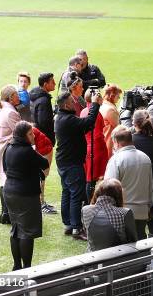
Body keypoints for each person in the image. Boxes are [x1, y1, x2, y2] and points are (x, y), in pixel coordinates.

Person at [2, 121, 50, 270]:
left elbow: (5, 168)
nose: (33, 135)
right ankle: (27, 267)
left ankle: (16, 266)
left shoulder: (8, 148)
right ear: (23, 135)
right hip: (26, 195)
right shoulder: (28, 151)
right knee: (27, 232)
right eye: (30, 133)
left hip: (9, 192)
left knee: (15, 229)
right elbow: (44, 163)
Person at [55, 91, 101, 240]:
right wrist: (95, 104)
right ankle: (76, 228)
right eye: (72, 101)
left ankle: (68, 224)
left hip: (64, 161)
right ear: (67, 105)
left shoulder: (60, 117)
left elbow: (83, 128)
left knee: (67, 192)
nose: (75, 103)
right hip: (72, 163)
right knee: (75, 194)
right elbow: (88, 122)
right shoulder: (68, 119)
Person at [104, 125, 153, 240]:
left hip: (121, 212)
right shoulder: (145, 158)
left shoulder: (116, 159)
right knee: (140, 244)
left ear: (116, 142)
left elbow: (108, 189)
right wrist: (149, 207)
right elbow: (151, 187)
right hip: (142, 211)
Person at [82, 178, 138, 252]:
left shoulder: (85, 210)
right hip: (118, 258)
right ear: (118, 195)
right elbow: (133, 240)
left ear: (97, 193)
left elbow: (87, 232)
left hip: (93, 258)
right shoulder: (125, 213)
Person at [30, 72, 57, 214]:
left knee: (38, 173)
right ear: (45, 84)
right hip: (43, 143)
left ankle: (39, 201)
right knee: (42, 174)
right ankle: (41, 203)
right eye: (52, 82)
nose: (54, 84)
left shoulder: (34, 96)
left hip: (37, 141)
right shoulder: (44, 100)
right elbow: (44, 122)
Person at [0, 85, 21, 224]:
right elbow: (20, 132)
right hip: (7, 150)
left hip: (1, 147)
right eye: (16, 94)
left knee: (3, 179)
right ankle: (7, 213)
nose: (19, 97)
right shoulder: (10, 112)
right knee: (7, 180)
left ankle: (5, 213)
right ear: (10, 97)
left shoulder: (3, 108)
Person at [81, 88, 109, 202]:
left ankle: (88, 203)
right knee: (92, 180)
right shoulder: (96, 114)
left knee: (89, 178)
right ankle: (90, 203)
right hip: (96, 148)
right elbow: (98, 133)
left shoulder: (84, 111)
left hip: (88, 148)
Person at [100, 84, 122, 158]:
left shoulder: (103, 105)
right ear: (112, 96)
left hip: (105, 139)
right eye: (117, 96)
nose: (119, 97)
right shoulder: (110, 109)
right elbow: (119, 128)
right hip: (110, 142)